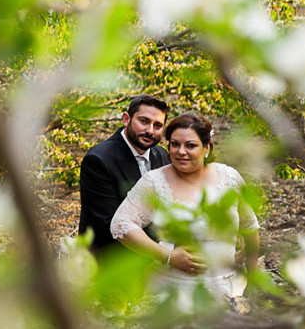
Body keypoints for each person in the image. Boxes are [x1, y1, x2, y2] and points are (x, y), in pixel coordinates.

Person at [110, 112, 260, 302]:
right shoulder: (154, 181)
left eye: (190, 145)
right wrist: (168, 256)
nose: (181, 151)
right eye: (175, 144)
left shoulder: (229, 177)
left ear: (206, 147)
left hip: (230, 288)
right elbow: (121, 223)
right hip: (172, 292)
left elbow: (250, 227)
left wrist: (253, 275)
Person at [78, 94, 171, 254]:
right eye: (144, 121)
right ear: (126, 119)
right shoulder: (98, 160)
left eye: (157, 125)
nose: (150, 131)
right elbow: (111, 224)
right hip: (109, 258)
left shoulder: (161, 155)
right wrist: (166, 252)